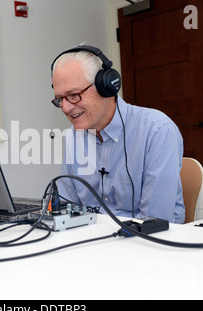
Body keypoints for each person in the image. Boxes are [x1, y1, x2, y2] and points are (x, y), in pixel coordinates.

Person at [51, 45, 185, 224]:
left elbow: (153, 223)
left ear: (106, 86)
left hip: (147, 245)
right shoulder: (73, 136)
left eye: (74, 95)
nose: (65, 108)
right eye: (60, 99)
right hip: (92, 244)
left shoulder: (158, 131)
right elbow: (68, 210)